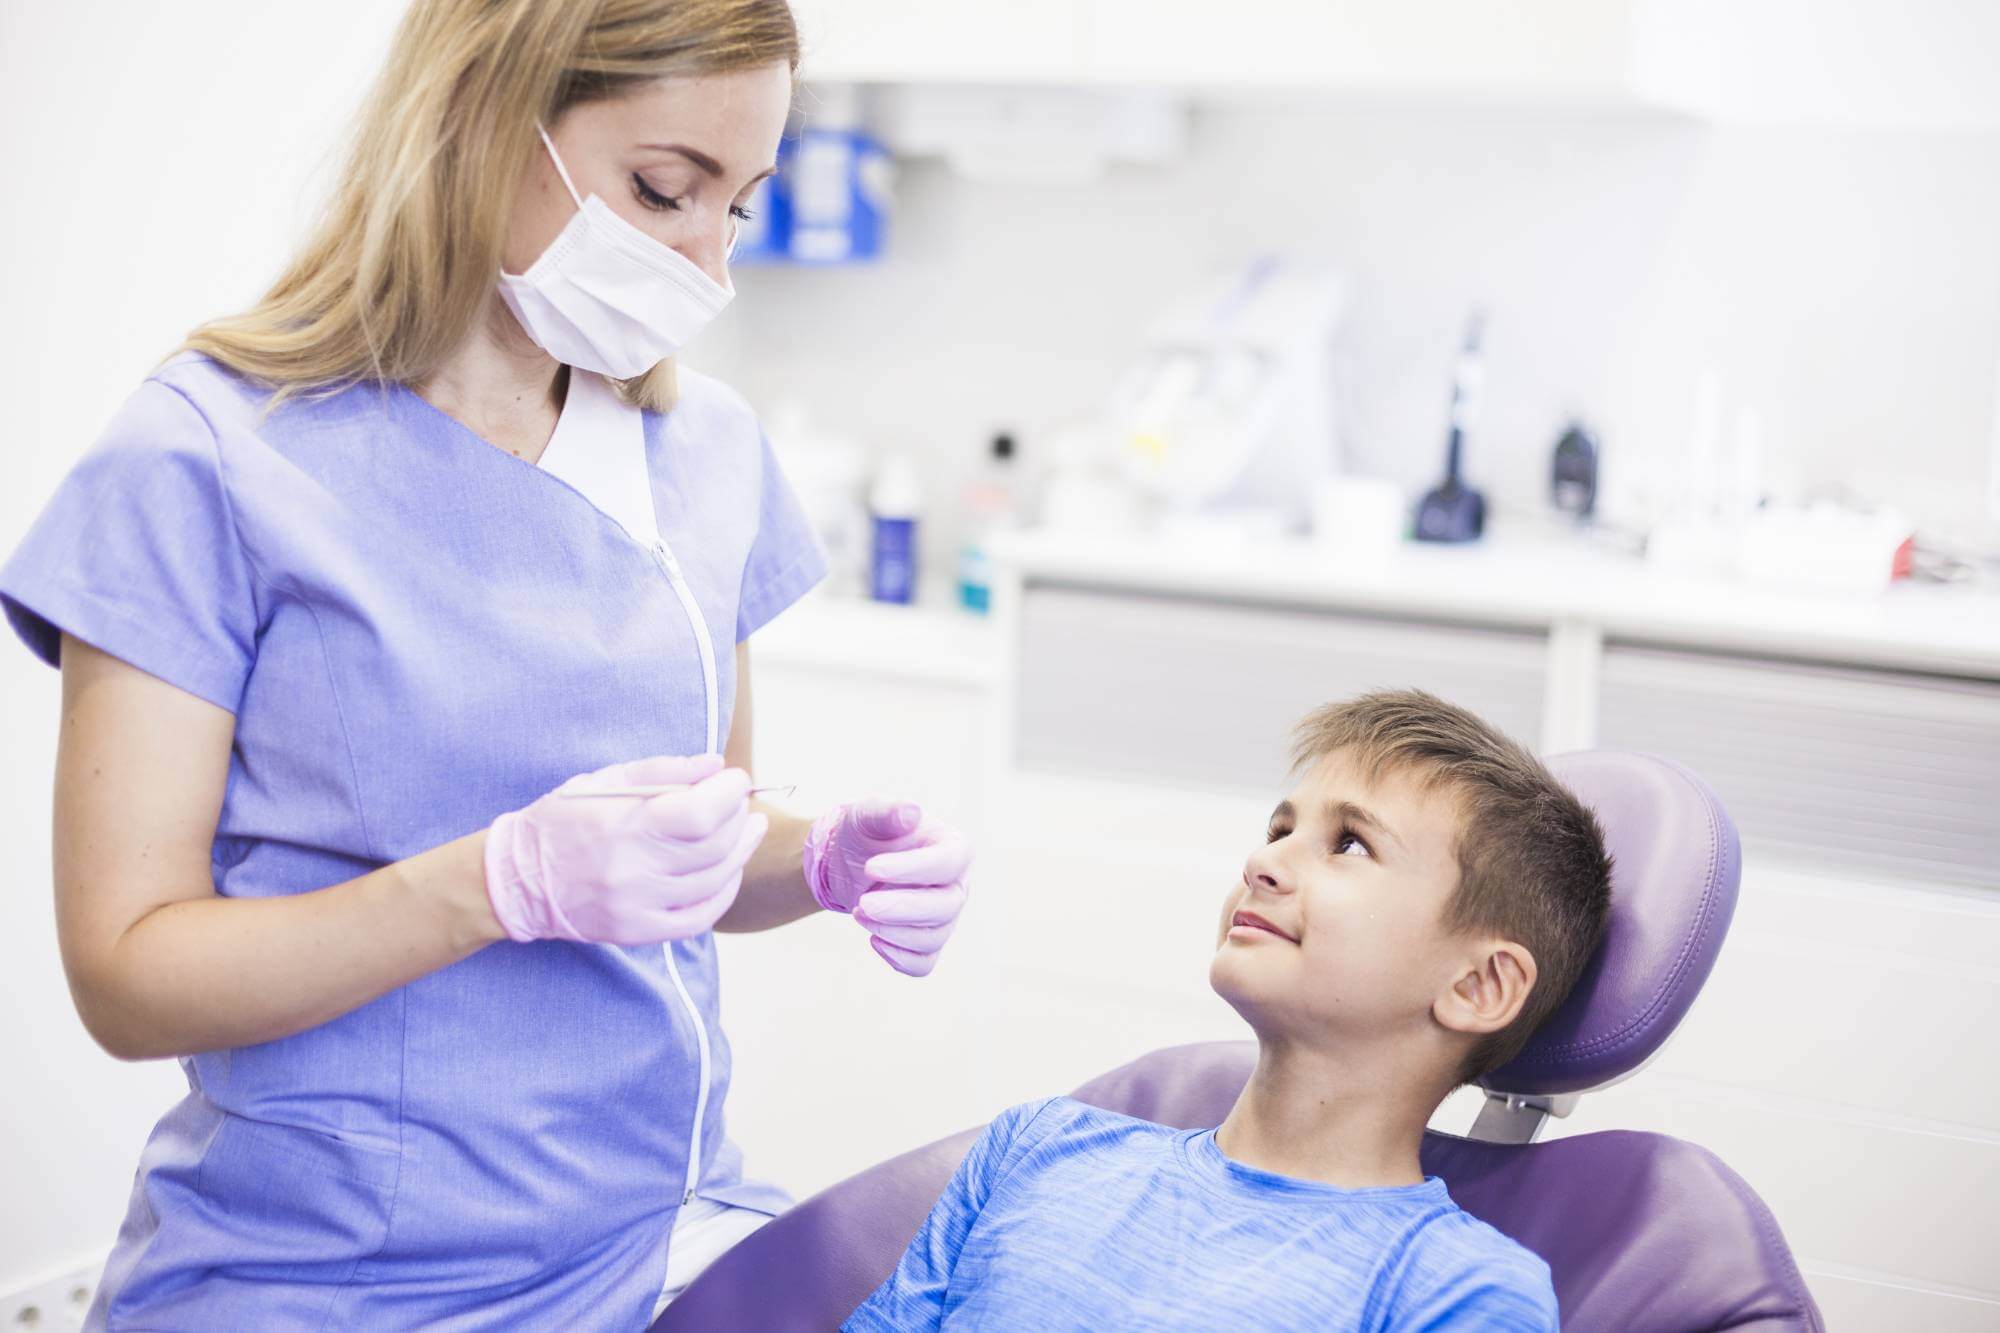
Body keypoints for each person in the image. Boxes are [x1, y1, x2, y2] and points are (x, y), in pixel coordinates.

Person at [0, 2, 973, 1327]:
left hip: (661, 1241)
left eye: (736, 208)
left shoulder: (706, 454)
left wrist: (807, 858)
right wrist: (492, 885)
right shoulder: (212, 456)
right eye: (664, 190)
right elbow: (127, 975)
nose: (708, 267)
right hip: (323, 1276)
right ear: (478, 117)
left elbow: (695, 844)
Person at [846, 690, 1611, 1331]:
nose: (1262, 860)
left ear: (1479, 985)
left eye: (1348, 844)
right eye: (1280, 829)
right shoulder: (1038, 1146)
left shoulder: (1455, 1290)